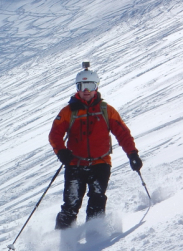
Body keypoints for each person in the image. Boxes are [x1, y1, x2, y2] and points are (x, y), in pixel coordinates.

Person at [49, 64, 143, 232]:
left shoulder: (106, 110)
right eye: (83, 86)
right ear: (77, 88)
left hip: (101, 163)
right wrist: (61, 151)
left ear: (96, 87)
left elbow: (123, 134)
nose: (87, 90)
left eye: (91, 86)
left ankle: (95, 237)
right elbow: (55, 135)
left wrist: (132, 153)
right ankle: (62, 241)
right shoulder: (68, 112)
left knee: (97, 200)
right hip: (75, 164)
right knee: (71, 204)